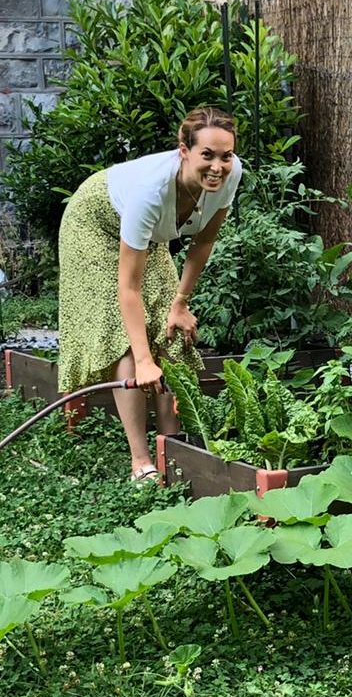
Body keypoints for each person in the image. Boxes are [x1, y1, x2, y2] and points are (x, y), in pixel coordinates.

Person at [57, 106, 241, 482]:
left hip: (147, 233)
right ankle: (141, 460)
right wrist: (143, 360)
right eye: (207, 155)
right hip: (94, 225)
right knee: (126, 338)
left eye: (226, 155)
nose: (218, 166)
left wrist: (180, 303)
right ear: (184, 150)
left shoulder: (230, 175)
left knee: (169, 328)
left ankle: (170, 445)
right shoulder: (150, 192)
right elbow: (129, 289)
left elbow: (204, 241)